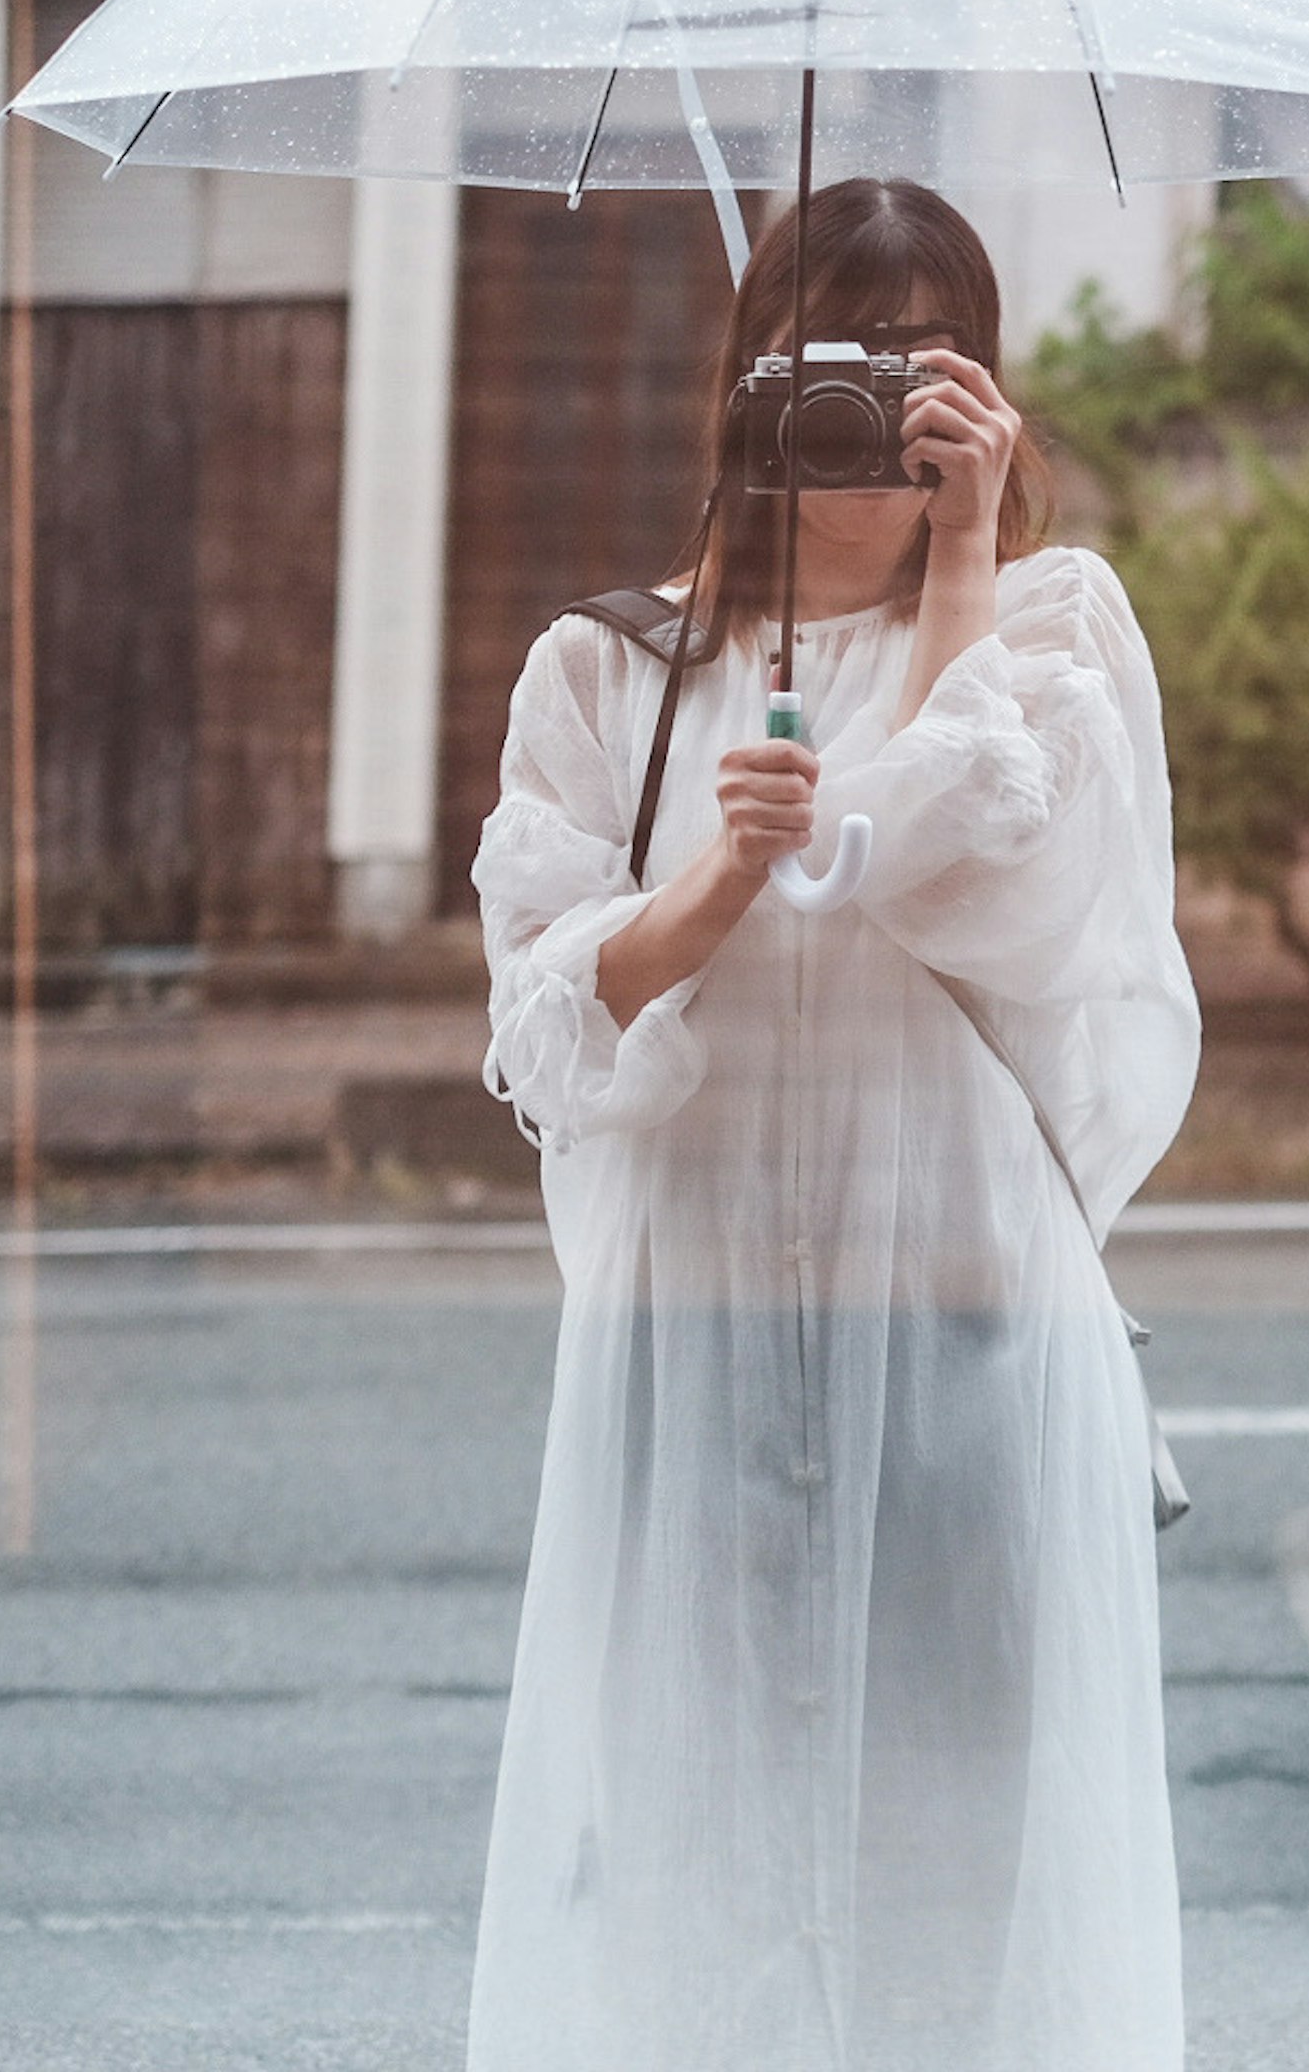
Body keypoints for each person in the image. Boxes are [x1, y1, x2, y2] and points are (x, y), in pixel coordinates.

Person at [464, 178, 1202, 2072]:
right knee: (691, 1874)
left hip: (963, 1327)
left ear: (983, 393)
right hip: (693, 1337)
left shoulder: (1047, 636)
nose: (869, 429)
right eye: (830, 371)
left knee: (957, 1886)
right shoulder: (610, 674)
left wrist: (961, 562)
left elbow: (1007, 899)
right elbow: (548, 1027)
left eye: (918, 372)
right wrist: (719, 876)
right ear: (747, 390)